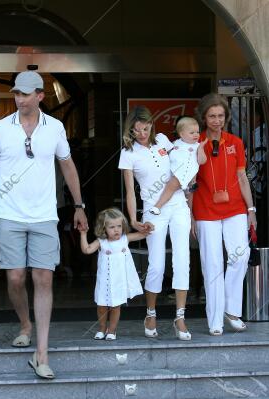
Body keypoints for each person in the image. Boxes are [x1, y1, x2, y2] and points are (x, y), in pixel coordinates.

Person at [0, 71, 87, 379]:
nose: (19, 98)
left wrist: (79, 206)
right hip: (8, 215)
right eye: (16, 94)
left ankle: (42, 353)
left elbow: (68, 166)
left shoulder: (56, 128)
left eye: (25, 93)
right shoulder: (0, 128)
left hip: (45, 215)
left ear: (39, 96)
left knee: (44, 279)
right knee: (16, 279)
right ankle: (25, 324)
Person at [119, 106, 192, 341]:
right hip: (153, 209)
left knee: (182, 260)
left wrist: (190, 195)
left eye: (146, 127)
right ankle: (150, 313)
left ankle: (180, 316)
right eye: (137, 129)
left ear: (152, 125)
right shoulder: (128, 152)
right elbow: (130, 191)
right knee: (157, 265)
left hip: (179, 204)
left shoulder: (162, 140)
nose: (142, 133)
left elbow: (182, 163)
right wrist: (133, 219)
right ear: (130, 129)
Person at [191, 93, 256, 336]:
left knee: (240, 255)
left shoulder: (236, 142)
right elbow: (190, 184)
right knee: (213, 263)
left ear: (226, 117)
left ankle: (231, 310)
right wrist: (191, 217)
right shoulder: (196, 143)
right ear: (204, 118)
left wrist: (251, 210)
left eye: (220, 116)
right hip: (205, 210)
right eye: (212, 116)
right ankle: (215, 319)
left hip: (235, 208)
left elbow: (242, 177)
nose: (217, 120)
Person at [79, 207, 145, 340]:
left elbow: (144, 234)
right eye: (112, 227)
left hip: (119, 281)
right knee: (102, 306)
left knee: (116, 306)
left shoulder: (125, 239)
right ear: (104, 229)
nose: (116, 230)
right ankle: (102, 328)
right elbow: (86, 250)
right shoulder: (101, 242)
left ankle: (112, 330)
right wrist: (83, 234)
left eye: (119, 226)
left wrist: (143, 225)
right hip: (104, 281)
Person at [149, 116, 207, 215]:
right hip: (176, 174)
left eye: (197, 132)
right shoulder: (175, 144)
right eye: (192, 133)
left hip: (189, 177)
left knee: (187, 195)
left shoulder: (197, 146)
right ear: (182, 134)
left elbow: (202, 161)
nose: (196, 135)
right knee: (170, 189)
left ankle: (187, 214)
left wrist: (201, 148)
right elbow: (165, 155)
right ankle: (158, 206)